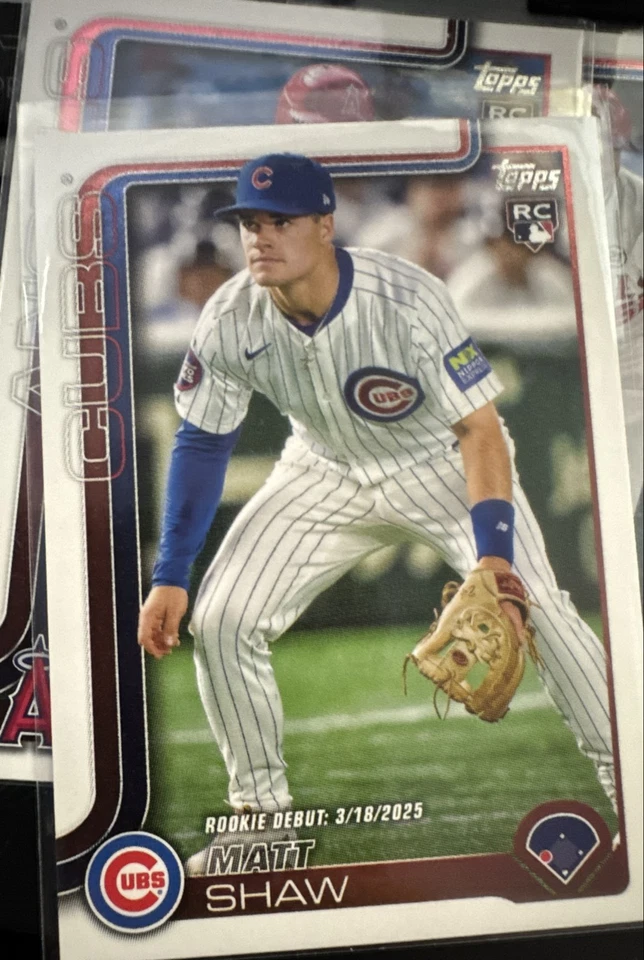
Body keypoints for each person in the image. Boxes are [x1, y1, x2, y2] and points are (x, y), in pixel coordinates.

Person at [137, 152, 616, 875]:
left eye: (281, 221)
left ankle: (631, 785)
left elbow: (479, 429)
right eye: (250, 222)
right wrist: (172, 574)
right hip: (322, 467)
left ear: (326, 224)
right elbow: (202, 442)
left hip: (438, 463)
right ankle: (262, 826)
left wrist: (494, 557)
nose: (260, 237)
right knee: (223, 619)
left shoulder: (406, 297)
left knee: (539, 607)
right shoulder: (230, 316)